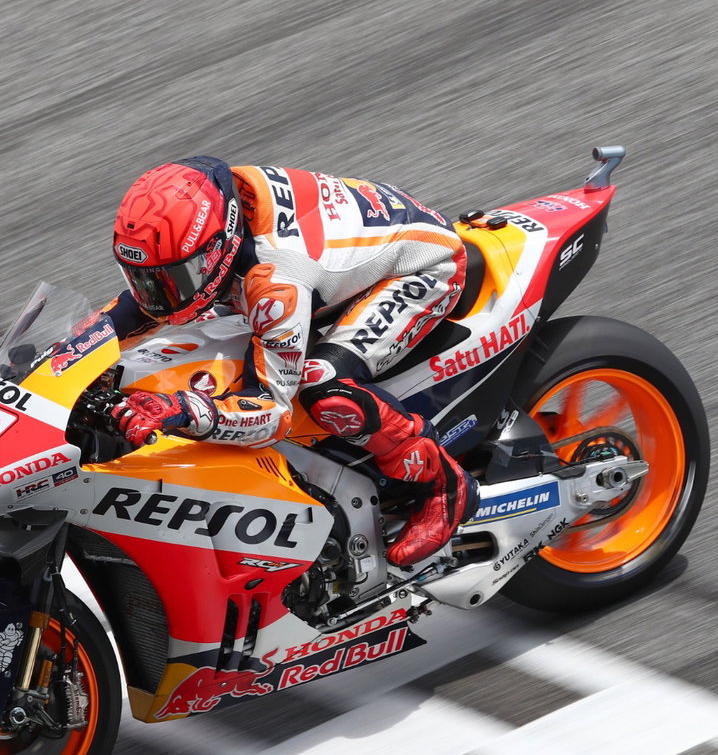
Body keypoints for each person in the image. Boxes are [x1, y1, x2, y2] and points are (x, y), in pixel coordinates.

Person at [99, 156, 479, 566]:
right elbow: (133, 312)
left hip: (420, 264)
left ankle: (443, 485)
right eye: (143, 279)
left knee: (322, 385)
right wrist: (61, 361)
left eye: (174, 279)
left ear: (218, 247)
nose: (157, 295)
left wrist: (183, 410)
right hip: (343, 249)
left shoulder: (277, 279)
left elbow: (272, 411)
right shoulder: (210, 202)